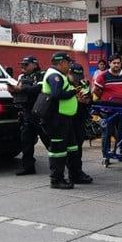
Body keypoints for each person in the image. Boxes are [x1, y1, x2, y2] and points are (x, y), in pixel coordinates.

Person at [41, 52, 79, 189]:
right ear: (61, 62)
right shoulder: (54, 76)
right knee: (58, 150)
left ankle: (75, 175)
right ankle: (56, 180)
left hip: (64, 118)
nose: (69, 66)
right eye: (68, 63)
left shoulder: (60, 75)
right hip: (56, 119)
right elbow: (57, 94)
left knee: (71, 148)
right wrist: (74, 91)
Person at [6, 56, 46, 176]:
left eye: (26, 65)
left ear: (34, 64)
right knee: (26, 141)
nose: (23, 67)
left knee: (49, 141)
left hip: (39, 112)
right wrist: (13, 90)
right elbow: (18, 91)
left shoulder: (41, 74)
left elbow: (39, 88)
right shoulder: (21, 77)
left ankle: (62, 166)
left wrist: (21, 89)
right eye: (22, 65)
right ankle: (28, 167)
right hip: (26, 112)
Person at [94, 53, 122, 157]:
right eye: (114, 63)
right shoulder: (102, 77)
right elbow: (96, 92)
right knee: (107, 132)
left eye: (118, 63)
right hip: (107, 110)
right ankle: (106, 153)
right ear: (109, 63)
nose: (116, 65)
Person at [66, 63, 93, 184]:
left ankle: (77, 171)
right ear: (69, 73)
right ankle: (73, 173)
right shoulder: (64, 84)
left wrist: (86, 100)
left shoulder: (84, 83)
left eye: (79, 75)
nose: (77, 78)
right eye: (75, 75)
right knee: (70, 147)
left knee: (78, 146)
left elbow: (90, 99)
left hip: (80, 118)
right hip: (67, 118)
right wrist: (76, 99)